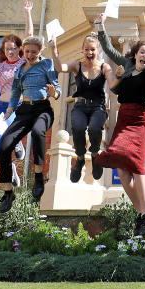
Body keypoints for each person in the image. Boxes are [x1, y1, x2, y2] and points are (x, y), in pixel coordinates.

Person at [94, 8, 145, 236]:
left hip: (142, 120)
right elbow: (108, 47)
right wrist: (101, 26)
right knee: (121, 169)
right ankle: (143, 214)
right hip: (123, 120)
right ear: (136, 53)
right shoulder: (126, 66)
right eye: (142, 52)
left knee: (138, 165)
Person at [0, 36, 61, 210]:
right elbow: (16, 91)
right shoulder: (20, 69)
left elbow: (57, 88)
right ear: (22, 52)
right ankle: (8, 192)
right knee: (4, 146)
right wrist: (10, 110)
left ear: (40, 51)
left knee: (38, 132)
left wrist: (54, 93)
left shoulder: (47, 65)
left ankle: (38, 176)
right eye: (27, 52)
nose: (30, 55)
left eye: (34, 52)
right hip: (24, 110)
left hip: (43, 109)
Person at [0, 1, 35, 188]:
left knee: (10, 133)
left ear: (19, 48)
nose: (9, 52)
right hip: (2, 108)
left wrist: (28, 12)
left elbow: (29, 36)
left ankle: (17, 142)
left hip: (18, 105)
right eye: (6, 49)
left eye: (13, 48)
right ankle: (11, 170)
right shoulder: (0, 67)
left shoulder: (23, 62)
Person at [51, 33, 111, 184]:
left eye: (92, 50)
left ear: (98, 50)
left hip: (98, 106)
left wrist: (118, 76)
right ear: (82, 50)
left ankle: (95, 155)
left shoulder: (104, 67)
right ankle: (80, 158)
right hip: (81, 106)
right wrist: (54, 50)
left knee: (94, 129)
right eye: (86, 50)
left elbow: (113, 83)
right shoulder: (76, 65)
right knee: (77, 128)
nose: (90, 53)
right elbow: (59, 67)